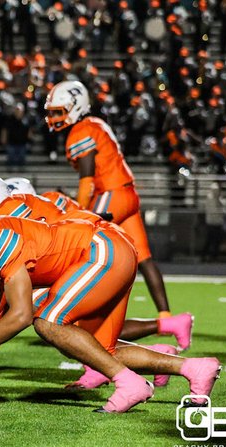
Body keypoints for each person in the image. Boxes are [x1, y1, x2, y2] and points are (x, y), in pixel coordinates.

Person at [0, 184, 220, 412]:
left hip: (101, 249)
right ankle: (194, 368)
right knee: (102, 352)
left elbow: (21, 316)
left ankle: (130, 384)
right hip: (105, 251)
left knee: (47, 322)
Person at [44, 80, 178, 319]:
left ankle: (73, 313)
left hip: (111, 194)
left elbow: (87, 179)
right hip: (127, 194)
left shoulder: (80, 131)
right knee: (144, 258)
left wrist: (79, 210)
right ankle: (166, 316)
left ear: (77, 107)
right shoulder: (94, 124)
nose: (54, 118)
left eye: (59, 112)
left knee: (80, 246)